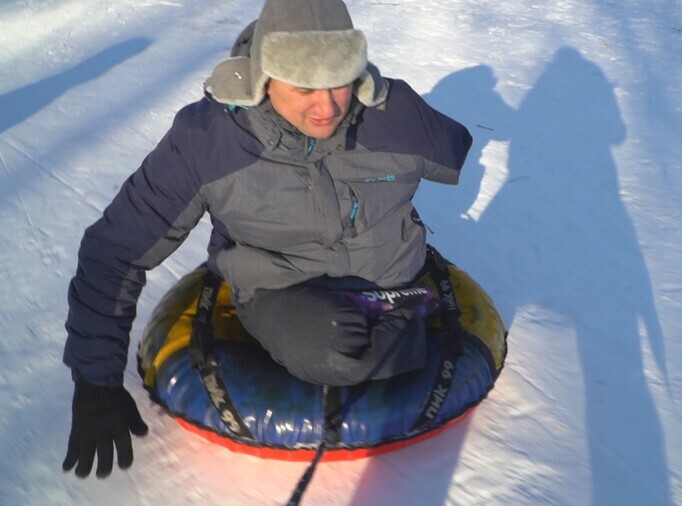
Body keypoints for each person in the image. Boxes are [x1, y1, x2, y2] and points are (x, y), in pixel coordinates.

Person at [62, 0, 472, 479]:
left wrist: (397, 108)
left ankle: (403, 316)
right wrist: (95, 381)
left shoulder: (386, 112)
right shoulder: (208, 142)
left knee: (381, 333)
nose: (327, 107)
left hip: (391, 281)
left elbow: (454, 150)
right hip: (283, 290)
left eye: (339, 80)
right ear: (263, 77)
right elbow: (115, 250)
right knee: (333, 351)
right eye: (303, 86)